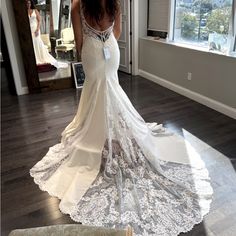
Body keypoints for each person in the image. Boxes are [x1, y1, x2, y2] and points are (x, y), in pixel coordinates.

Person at [30, 0, 213, 235]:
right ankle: (114, 132)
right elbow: (116, 32)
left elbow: (79, 42)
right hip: (111, 50)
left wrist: (89, 46)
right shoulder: (115, 3)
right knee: (112, 87)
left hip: (92, 51)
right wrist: (105, 37)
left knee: (95, 91)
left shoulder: (78, 5)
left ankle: (97, 134)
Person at [26, 0, 68, 68]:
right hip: (29, 30)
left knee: (37, 43)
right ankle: (34, 59)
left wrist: (37, 29)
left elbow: (39, 21)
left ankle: (41, 57)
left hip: (35, 29)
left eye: (29, 3)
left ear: (31, 4)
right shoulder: (24, 11)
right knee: (32, 45)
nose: (28, 4)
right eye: (27, 3)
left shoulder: (35, 10)